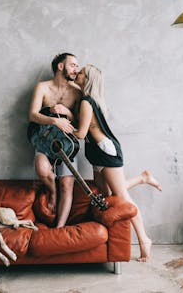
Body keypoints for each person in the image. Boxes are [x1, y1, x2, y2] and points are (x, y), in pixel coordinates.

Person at [73, 64, 161, 262]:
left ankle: (144, 238)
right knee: (107, 194)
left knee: (121, 197)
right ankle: (142, 178)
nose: (77, 74)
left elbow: (80, 133)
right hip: (96, 153)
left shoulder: (87, 102)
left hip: (105, 152)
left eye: (81, 73)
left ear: (87, 80)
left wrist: (59, 123)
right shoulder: (87, 101)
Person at [28, 53, 81, 228]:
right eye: (72, 65)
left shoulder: (77, 92)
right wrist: (54, 120)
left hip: (67, 144)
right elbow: (32, 115)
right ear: (60, 66)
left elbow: (81, 123)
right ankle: (52, 191)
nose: (76, 69)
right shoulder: (42, 87)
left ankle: (59, 229)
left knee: (67, 184)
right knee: (42, 170)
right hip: (45, 139)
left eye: (76, 66)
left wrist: (68, 113)